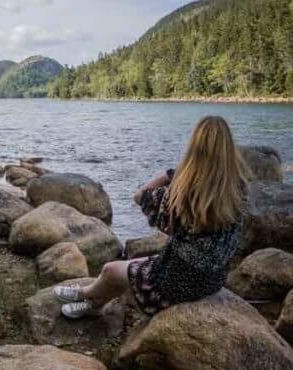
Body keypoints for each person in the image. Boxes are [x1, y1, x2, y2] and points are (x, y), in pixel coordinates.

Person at [54, 115, 248, 319]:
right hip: (212, 279)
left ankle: (84, 293)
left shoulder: (183, 195)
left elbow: (139, 196)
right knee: (129, 268)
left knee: (110, 270)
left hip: (176, 283)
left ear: (195, 150)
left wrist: (171, 174)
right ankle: (95, 305)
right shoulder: (238, 191)